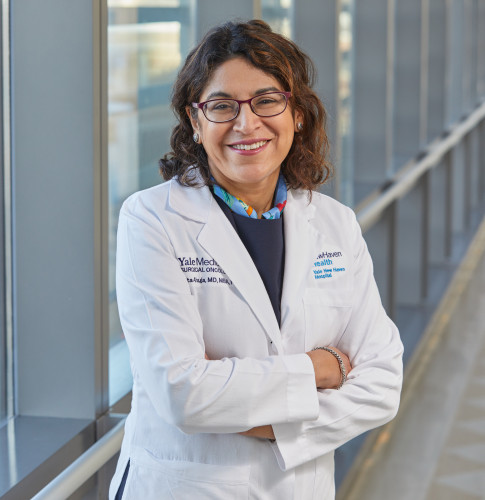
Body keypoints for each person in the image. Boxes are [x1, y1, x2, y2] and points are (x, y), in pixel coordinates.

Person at [109, 19, 403, 500]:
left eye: (267, 101)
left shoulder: (334, 224)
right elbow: (182, 394)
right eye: (222, 106)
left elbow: (383, 384)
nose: (247, 124)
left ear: (297, 113)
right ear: (196, 120)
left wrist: (265, 422)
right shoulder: (152, 220)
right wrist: (317, 369)